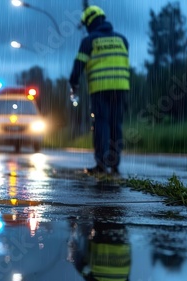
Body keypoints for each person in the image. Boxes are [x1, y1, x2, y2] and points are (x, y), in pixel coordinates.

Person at [69, 5, 130, 175]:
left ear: (89, 23)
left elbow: (78, 64)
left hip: (100, 89)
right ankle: (115, 163)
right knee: (115, 124)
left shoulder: (90, 41)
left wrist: (74, 82)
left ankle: (101, 164)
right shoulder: (122, 39)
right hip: (120, 89)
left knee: (101, 124)